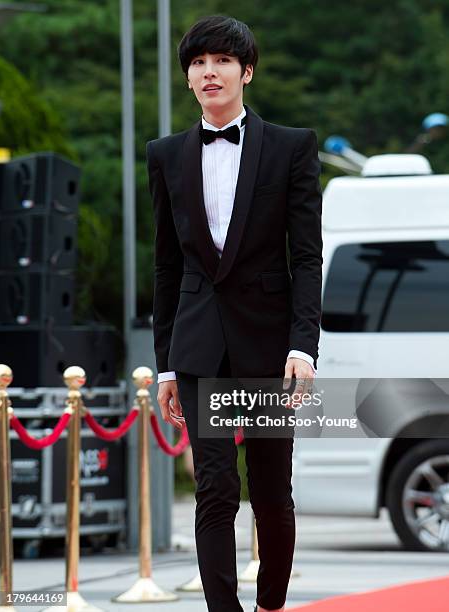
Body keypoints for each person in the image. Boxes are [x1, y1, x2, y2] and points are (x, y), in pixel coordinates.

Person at [146, 15, 322, 612]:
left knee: (271, 490)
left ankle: (271, 602)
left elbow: (307, 257)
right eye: (198, 63)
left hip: (270, 345)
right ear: (189, 79)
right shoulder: (166, 156)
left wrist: (304, 347)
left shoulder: (292, 147)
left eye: (222, 61)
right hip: (198, 346)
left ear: (245, 72)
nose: (209, 72)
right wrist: (166, 365)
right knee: (215, 488)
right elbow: (167, 268)